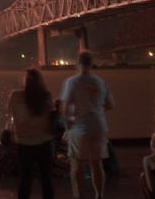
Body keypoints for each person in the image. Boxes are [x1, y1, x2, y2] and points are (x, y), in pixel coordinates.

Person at [59, 50, 114, 199]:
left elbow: (65, 109)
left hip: (79, 127)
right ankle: (99, 195)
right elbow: (109, 105)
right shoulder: (100, 82)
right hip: (99, 125)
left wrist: (67, 129)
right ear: (91, 64)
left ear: (78, 63)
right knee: (97, 164)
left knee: (77, 165)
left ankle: (79, 196)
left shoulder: (72, 82)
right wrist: (95, 107)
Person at [8, 68, 56, 199]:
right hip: (44, 142)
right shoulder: (46, 95)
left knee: (25, 180)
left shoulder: (15, 96)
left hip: (24, 143)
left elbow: (10, 113)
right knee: (46, 179)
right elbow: (52, 116)